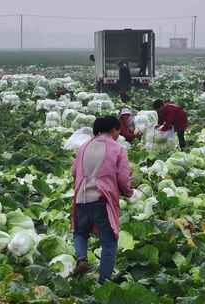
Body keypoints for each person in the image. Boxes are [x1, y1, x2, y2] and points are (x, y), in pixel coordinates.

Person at [71, 116, 134, 283]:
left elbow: (73, 172)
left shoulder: (83, 147)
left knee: (80, 232)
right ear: (113, 129)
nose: (118, 134)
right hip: (101, 198)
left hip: (81, 197)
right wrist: (128, 192)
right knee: (109, 241)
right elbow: (122, 178)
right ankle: (104, 282)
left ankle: (82, 258)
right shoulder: (117, 149)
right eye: (118, 131)